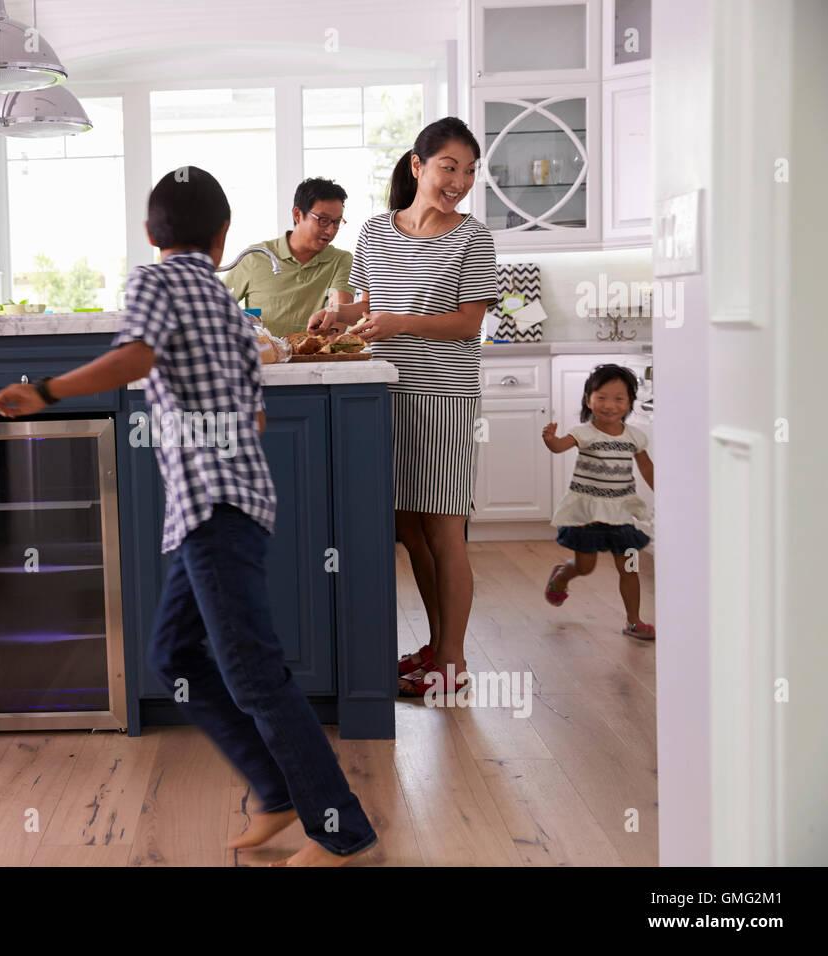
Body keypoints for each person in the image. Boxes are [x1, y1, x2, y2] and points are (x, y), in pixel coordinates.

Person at [0, 166, 378, 867]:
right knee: (174, 656)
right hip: (237, 504)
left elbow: (137, 354)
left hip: (211, 507)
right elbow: (253, 417)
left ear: (148, 234)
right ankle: (277, 792)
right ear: (223, 238)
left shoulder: (154, 282)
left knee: (254, 675)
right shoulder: (229, 306)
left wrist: (43, 390)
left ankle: (341, 832)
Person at [308, 117, 499, 698]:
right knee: (407, 526)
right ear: (418, 166)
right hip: (383, 391)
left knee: (444, 528)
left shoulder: (473, 236)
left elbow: (469, 323)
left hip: (442, 395)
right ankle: (438, 645)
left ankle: (453, 662)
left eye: (469, 171)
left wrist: (398, 323)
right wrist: (339, 316)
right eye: (449, 167)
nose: (460, 181)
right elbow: (370, 303)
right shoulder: (373, 232)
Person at [541, 364, 656, 639]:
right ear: (588, 399)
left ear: (629, 402)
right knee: (585, 567)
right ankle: (561, 577)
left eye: (619, 398)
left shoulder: (634, 436)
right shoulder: (583, 433)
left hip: (621, 515)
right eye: (601, 397)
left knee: (629, 567)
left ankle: (633, 621)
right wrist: (550, 439)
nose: (609, 405)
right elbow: (559, 447)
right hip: (587, 515)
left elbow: (647, 468)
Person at [224, 177, 355, 338]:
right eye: (323, 220)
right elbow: (217, 307)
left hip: (316, 359)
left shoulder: (340, 261)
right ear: (298, 215)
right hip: (266, 360)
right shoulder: (255, 257)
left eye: (336, 222)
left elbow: (338, 312)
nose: (330, 230)